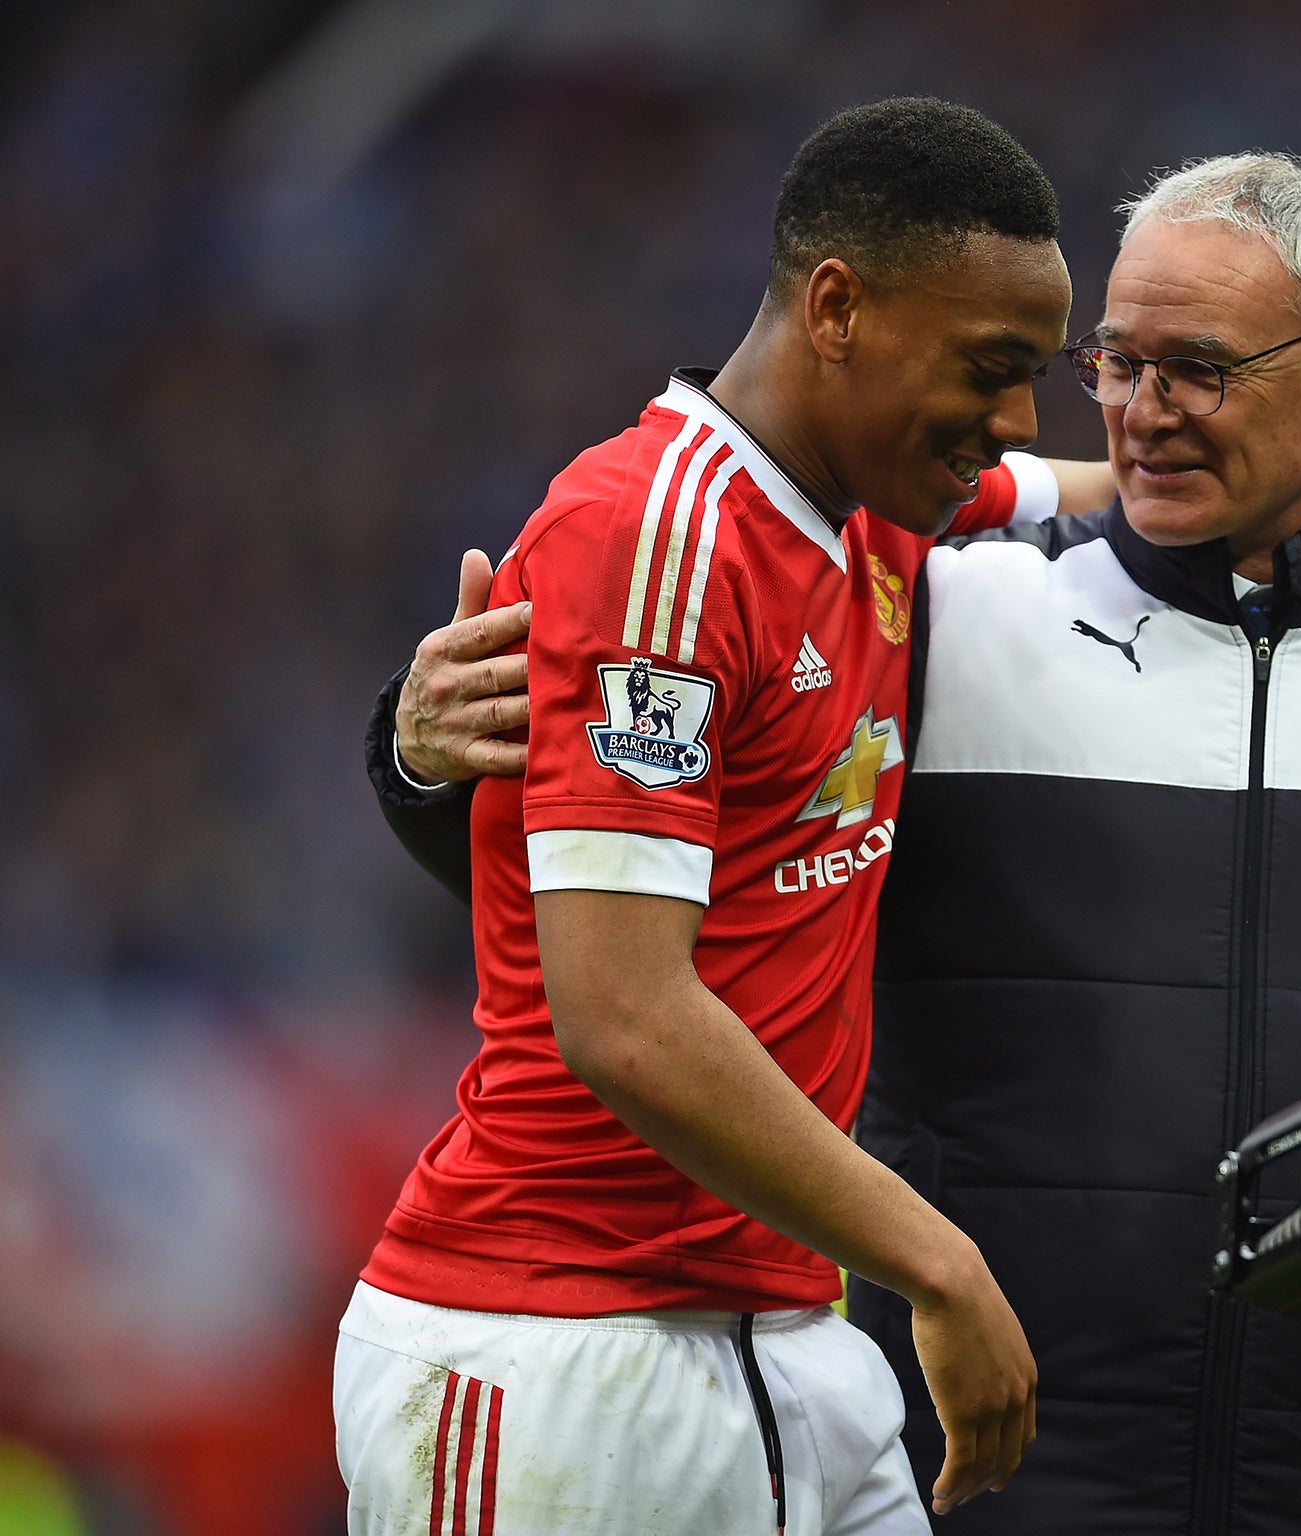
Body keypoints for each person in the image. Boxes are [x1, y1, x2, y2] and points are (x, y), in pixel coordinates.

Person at [376, 151, 1301, 1534]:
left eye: (1198, 370)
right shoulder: (948, 594)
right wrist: (422, 755)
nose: (1133, 415)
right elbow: (631, 902)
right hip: (975, 1462)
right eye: (1118, 362)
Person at [335, 96, 1074, 1536]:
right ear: (840, 308)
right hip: (561, 1352)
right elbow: (625, 1018)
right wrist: (942, 1266)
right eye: (994, 368)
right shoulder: (659, 536)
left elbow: (1140, 497)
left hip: (789, 1340)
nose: (1018, 419)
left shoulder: (871, 511)